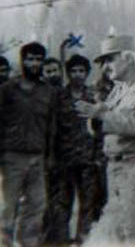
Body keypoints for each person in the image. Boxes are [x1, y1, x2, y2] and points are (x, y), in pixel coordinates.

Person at [74, 34, 135, 214]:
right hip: (114, 166)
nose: (104, 67)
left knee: (132, 221)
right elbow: (103, 124)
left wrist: (103, 115)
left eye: (110, 60)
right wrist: (95, 117)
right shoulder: (118, 91)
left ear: (128, 58)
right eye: (102, 62)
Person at [0, 42, 59, 247]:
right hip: (11, 157)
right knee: (7, 207)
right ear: (22, 61)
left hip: (37, 157)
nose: (34, 63)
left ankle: (28, 243)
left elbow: (52, 127)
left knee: (36, 205)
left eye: (38, 59)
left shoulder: (48, 92)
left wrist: (50, 156)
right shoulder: (7, 90)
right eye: (30, 59)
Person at [54, 54, 104, 244]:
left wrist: (98, 155)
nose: (77, 74)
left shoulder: (94, 96)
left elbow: (100, 128)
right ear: (68, 73)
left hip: (88, 158)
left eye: (81, 71)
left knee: (88, 202)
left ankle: (84, 240)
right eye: (73, 71)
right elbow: (53, 128)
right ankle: (61, 241)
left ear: (87, 73)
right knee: (63, 203)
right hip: (64, 159)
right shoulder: (59, 97)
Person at [40, 57, 65, 245]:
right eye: (48, 71)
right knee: (45, 199)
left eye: (55, 70)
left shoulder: (67, 94)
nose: (52, 75)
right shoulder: (40, 96)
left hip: (68, 153)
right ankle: (46, 239)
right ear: (43, 74)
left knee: (63, 199)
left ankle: (60, 238)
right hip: (46, 154)